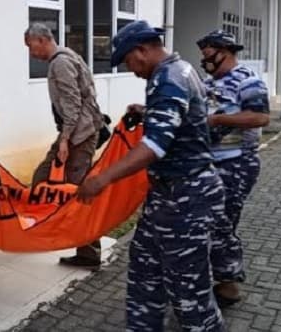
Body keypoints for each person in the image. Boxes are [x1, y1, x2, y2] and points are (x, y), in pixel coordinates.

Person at [77, 20, 227, 331]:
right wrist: (149, 113)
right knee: (145, 273)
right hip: (168, 196)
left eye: (128, 61)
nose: (131, 69)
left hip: (186, 198)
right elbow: (192, 119)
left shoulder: (168, 78)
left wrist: (102, 177)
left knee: (189, 292)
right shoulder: (181, 69)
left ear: (142, 50)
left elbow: (154, 146)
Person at [197, 30, 270, 305]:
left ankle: (228, 284)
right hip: (210, 161)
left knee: (223, 222)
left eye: (208, 56)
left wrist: (217, 121)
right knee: (209, 222)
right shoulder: (207, 82)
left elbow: (261, 117)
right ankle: (212, 276)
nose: (204, 61)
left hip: (237, 163)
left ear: (223, 53)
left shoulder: (248, 81)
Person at [24, 22, 104, 270]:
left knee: (79, 193)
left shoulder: (61, 62)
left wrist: (65, 141)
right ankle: (40, 226)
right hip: (75, 133)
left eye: (30, 46)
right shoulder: (67, 56)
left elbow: (73, 104)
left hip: (79, 135)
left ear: (42, 40)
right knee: (41, 177)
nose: (31, 53)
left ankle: (89, 252)